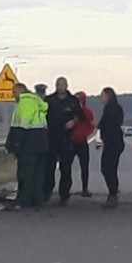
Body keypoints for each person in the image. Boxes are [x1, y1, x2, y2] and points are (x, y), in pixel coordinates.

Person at [5, 83, 48, 210]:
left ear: (20, 91)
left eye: (14, 92)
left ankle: (25, 199)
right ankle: (37, 198)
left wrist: (16, 143)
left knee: (26, 173)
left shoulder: (25, 102)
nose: (13, 95)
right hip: (41, 143)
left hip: (29, 144)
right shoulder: (36, 102)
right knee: (38, 173)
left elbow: (23, 124)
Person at [44, 76, 86, 205]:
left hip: (66, 139)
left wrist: (74, 121)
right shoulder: (49, 100)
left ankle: (64, 195)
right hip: (51, 137)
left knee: (66, 168)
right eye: (58, 84)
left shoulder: (73, 101)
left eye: (62, 84)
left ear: (66, 86)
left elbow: (82, 116)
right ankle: (46, 192)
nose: (60, 87)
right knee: (49, 167)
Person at [98, 87, 125, 209]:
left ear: (108, 96)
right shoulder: (112, 108)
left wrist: (99, 125)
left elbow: (109, 125)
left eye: (102, 95)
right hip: (112, 143)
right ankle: (113, 192)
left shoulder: (112, 109)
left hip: (113, 144)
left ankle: (113, 193)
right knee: (109, 168)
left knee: (107, 168)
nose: (101, 98)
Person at [71, 91, 96, 197]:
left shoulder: (87, 112)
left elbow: (92, 125)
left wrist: (85, 133)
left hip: (81, 141)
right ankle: (65, 188)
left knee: (84, 166)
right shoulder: (71, 111)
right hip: (71, 141)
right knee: (66, 166)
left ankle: (85, 188)